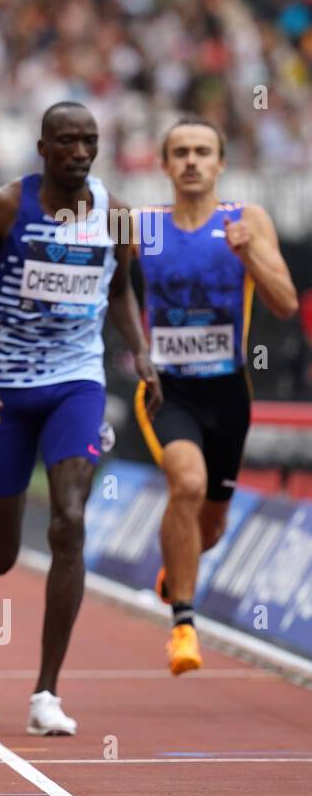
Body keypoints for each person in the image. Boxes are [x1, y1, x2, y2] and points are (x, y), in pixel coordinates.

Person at [0, 101, 160, 735]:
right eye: (66, 141)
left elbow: (119, 287)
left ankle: (46, 692)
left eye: (89, 141)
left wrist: (140, 348)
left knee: (70, 521)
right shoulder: (6, 208)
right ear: (42, 148)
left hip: (77, 381)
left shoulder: (117, 214)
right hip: (5, 391)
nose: (79, 151)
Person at [136, 117, 297, 675]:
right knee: (188, 483)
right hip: (166, 388)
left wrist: (249, 254)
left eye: (203, 151)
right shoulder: (145, 227)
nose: (191, 161)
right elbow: (102, 287)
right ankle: (184, 624)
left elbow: (285, 304)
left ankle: (174, 572)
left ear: (221, 163)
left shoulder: (245, 219)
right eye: (180, 152)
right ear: (164, 164)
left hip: (228, 392)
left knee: (211, 527)